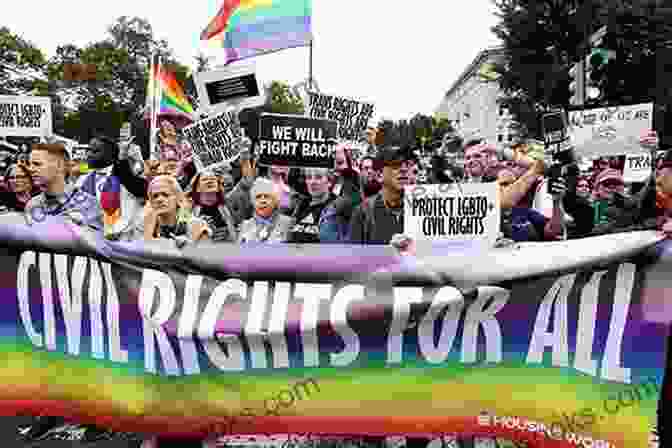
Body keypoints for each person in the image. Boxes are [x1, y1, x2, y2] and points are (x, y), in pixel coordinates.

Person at [76, 131, 146, 240]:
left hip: (122, 241)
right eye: (88, 150)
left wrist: (122, 158)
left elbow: (136, 188)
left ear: (110, 155)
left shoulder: (124, 178)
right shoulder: (82, 180)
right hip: (89, 240)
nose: (88, 155)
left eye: (95, 151)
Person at [25, 142, 101, 227]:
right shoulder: (32, 204)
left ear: (60, 165)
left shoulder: (90, 204)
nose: (30, 169)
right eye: (29, 164)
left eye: (37, 164)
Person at [350, 146, 416, 244]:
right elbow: (354, 256)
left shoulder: (423, 210)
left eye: (408, 164)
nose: (404, 169)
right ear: (380, 175)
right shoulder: (363, 212)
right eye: (395, 165)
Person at [140, 175, 211, 245]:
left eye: (165, 195)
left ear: (178, 198)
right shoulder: (146, 226)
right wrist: (148, 232)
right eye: (155, 196)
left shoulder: (197, 225)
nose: (159, 199)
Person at [286, 167, 347, 243]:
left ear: (329, 182)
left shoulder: (337, 207)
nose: (312, 182)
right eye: (308, 177)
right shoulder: (300, 205)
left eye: (318, 177)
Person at [237, 177, 292, 244]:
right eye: (258, 197)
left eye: (266, 196)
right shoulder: (245, 225)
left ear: (276, 200)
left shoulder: (287, 223)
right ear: (252, 202)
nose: (262, 201)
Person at [188, 170, 237, 242]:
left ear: (218, 186)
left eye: (213, 179)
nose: (209, 181)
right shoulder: (189, 206)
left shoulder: (228, 204)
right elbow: (180, 228)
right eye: (205, 179)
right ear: (197, 188)